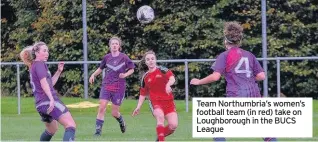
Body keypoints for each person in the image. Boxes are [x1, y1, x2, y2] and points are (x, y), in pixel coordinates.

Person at [190, 21, 277, 142]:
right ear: (239, 41)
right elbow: (262, 76)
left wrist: (199, 81)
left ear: (225, 40)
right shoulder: (249, 55)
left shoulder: (224, 55)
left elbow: (215, 76)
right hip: (254, 95)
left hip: (236, 95)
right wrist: (248, 79)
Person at [19, 42, 76, 141]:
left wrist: (58, 71)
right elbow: (44, 83)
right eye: (44, 51)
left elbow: (49, 84)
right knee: (70, 125)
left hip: (40, 105)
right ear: (36, 53)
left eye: (47, 51)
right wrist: (51, 100)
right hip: (48, 101)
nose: (47, 53)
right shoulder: (39, 64)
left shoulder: (34, 65)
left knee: (52, 130)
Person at [89, 37, 135, 136]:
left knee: (114, 113)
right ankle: (98, 132)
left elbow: (132, 69)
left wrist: (125, 75)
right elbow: (100, 68)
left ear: (119, 46)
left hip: (119, 88)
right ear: (109, 46)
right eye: (112, 44)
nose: (114, 45)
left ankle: (121, 120)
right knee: (102, 107)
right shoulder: (106, 57)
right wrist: (93, 75)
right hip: (107, 86)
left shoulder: (124, 57)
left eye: (116, 44)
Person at [132, 50, 178, 142]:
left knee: (173, 125)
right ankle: (161, 139)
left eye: (152, 59)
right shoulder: (145, 77)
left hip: (169, 102)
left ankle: (160, 136)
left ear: (155, 60)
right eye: (148, 59)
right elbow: (143, 93)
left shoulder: (163, 70)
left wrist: (168, 84)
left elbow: (172, 78)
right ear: (145, 62)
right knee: (160, 117)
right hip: (155, 102)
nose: (151, 61)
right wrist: (138, 107)